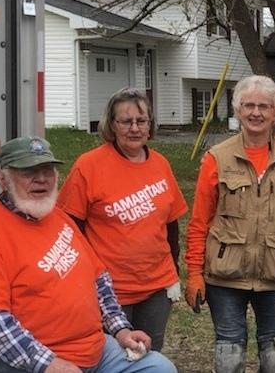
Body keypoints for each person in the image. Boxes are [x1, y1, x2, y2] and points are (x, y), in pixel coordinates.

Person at [0, 136, 177, 373]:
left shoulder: (58, 216)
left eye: (47, 170)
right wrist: (48, 364)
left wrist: (121, 330)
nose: (41, 179)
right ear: (3, 179)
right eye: (28, 171)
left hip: (93, 349)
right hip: (23, 361)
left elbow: (98, 280)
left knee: (159, 368)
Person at [184, 75, 275, 373]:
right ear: (237, 110)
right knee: (229, 352)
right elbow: (199, 222)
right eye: (249, 105)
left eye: (264, 106)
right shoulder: (217, 158)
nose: (256, 113)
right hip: (225, 276)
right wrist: (194, 272)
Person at [57, 87, 187, 352]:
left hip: (156, 287)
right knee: (115, 359)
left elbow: (171, 225)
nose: (135, 128)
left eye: (142, 121)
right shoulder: (89, 165)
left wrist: (172, 272)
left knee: (149, 356)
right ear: (111, 125)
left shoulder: (160, 163)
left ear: (150, 125)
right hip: (110, 292)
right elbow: (69, 230)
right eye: (126, 121)